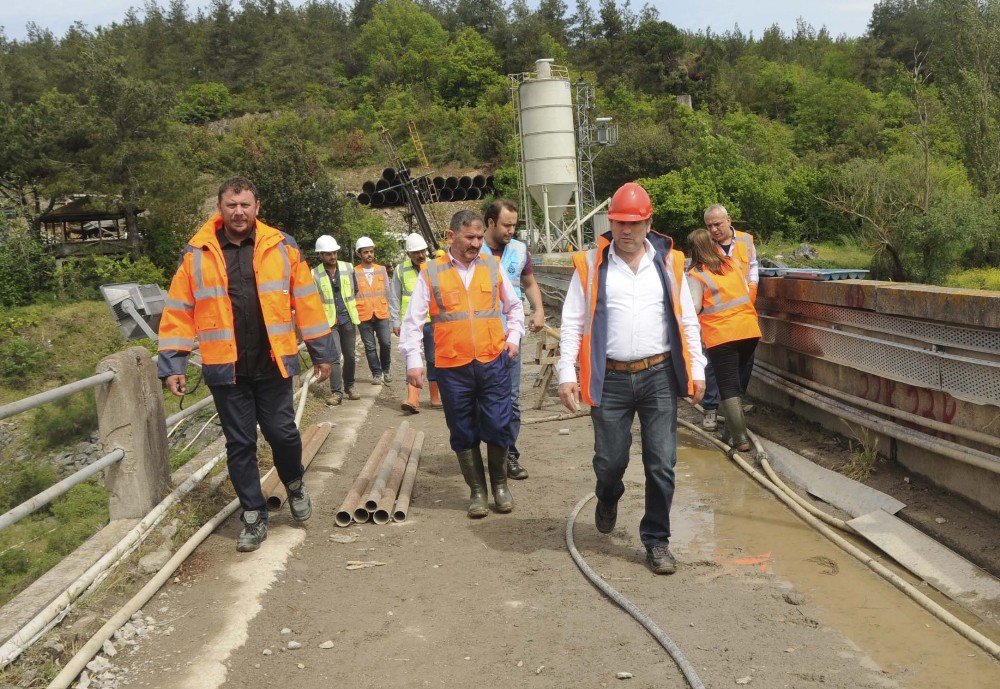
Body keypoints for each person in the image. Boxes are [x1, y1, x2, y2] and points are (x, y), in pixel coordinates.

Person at [158, 177, 334, 552]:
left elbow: (306, 301)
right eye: (231, 205)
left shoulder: (282, 247)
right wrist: (173, 362)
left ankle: (294, 481)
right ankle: (253, 514)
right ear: (220, 208)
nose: (239, 212)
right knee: (240, 444)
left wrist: (322, 352)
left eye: (245, 205)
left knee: (283, 433)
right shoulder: (197, 254)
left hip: (273, 363)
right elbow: (178, 311)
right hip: (227, 368)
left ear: (257, 207)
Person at [557, 182, 706, 575]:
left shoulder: (670, 264)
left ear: (649, 222)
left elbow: (687, 319)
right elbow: (572, 321)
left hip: (657, 375)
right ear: (611, 222)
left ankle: (656, 540)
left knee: (662, 464)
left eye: (635, 223)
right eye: (620, 222)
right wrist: (565, 373)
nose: (627, 230)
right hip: (611, 378)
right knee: (610, 461)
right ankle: (608, 496)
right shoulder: (591, 265)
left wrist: (698, 369)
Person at [399, 210, 525, 518]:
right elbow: (412, 322)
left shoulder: (492, 267)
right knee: (462, 429)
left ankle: (499, 486)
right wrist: (414, 361)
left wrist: (514, 337)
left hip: (493, 360)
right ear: (451, 236)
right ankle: (477, 491)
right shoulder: (431, 272)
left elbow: (515, 306)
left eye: (480, 237)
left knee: (498, 423)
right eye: (470, 237)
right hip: (452, 367)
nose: (476, 243)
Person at [481, 199, 545, 480]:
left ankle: (510, 455)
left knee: (511, 400)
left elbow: (529, 282)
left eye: (514, 225)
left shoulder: (519, 251)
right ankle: (486, 452)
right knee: (481, 401)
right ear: (491, 222)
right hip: (479, 338)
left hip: (511, 338)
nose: (511, 230)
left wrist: (539, 309)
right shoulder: (473, 249)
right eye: (506, 225)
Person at [686, 228, 762, 453]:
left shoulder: (697, 274)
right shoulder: (732, 265)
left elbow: (693, 307)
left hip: (723, 335)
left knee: (727, 386)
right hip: (749, 331)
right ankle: (730, 431)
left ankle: (740, 439)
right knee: (736, 382)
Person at [700, 204, 759, 431]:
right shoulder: (706, 245)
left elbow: (753, 266)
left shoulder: (745, 241)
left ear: (728, 220)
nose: (714, 229)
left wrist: (752, 288)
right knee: (716, 365)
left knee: (746, 361)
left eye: (717, 224)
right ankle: (711, 408)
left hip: (744, 312)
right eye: (709, 226)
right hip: (718, 316)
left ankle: (734, 403)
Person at [389, 232, 442, 413]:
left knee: (433, 359)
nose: (420, 255)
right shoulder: (400, 270)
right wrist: (395, 321)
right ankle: (413, 399)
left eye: (422, 251)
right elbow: (394, 297)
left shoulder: (434, 267)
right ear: (408, 254)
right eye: (416, 253)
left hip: (433, 322)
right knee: (412, 359)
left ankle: (435, 397)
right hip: (410, 324)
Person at [312, 234, 362, 405]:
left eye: (334, 253)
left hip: (347, 317)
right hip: (329, 321)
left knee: (349, 355)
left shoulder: (348, 267)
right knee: (334, 356)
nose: (332, 256)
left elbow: (354, 289)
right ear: (320, 255)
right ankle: (336, 392)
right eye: (328, 254)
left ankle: (350, 386)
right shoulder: (315, 274)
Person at [354, 236, 393, 385]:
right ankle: (377, 373)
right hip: (363, 314)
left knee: (386, 343)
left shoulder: (381, 269)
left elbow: (387, 291)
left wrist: (387, 307)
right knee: (370, 347)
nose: (369, 254)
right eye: (365, 252)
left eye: (371, 251)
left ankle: (386, 370)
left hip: (381, 312)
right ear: (359, 254)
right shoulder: (354, 272)